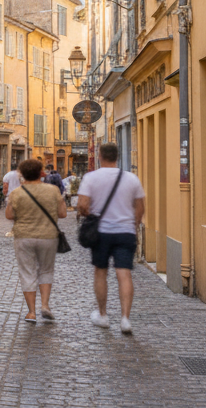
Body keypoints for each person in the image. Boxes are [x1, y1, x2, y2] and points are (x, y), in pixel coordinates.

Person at [77, 143, 145, 334]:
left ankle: (103, 315)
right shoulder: (131, 178)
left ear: (99, 156)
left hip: (102, 232)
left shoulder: (91, 178)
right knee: (124, 273)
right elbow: (140, 207)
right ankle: (125, 319)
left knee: (101, 272)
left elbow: (82, 204)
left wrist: (90, 214)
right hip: (125, 231)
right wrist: (134, 225)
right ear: (117, 157)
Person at [5, 158, 66, 323]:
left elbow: (9, 215)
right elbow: (62, 214)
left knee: (27, 272)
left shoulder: (16, 192)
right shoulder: (53, 190)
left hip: (24, 236)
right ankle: (45, 306)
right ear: (41, 173)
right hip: (48, 236)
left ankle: (31, 312)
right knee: (46, 270)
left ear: (22, 175)